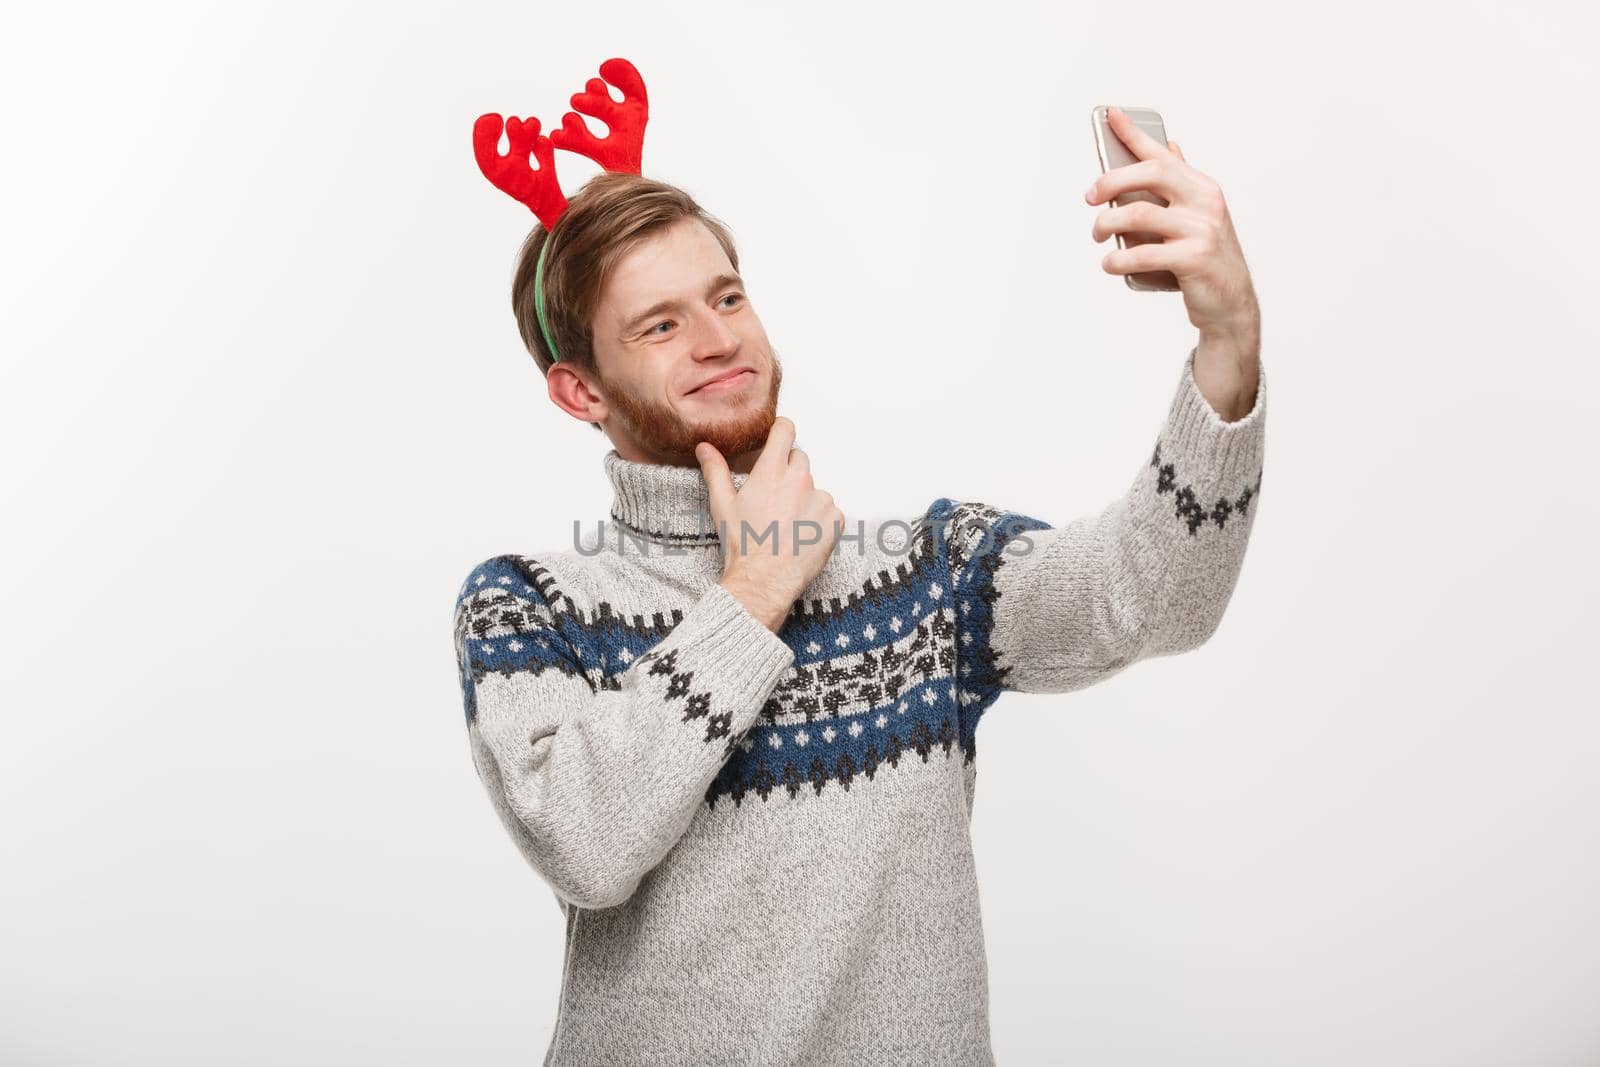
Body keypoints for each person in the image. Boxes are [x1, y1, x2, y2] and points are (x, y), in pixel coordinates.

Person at [454, 103, 1266, 1066]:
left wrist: (1229, 342)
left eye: (727, 297)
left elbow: (1154, 596)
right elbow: (586, 845)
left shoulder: (926, 574)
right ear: (578, 391)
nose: (719, 339)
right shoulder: (526, 605)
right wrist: (752, 592)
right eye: (661, 324)